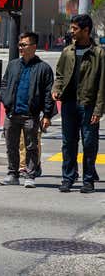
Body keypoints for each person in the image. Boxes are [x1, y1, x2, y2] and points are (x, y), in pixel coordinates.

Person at [52, 14, 105, 193]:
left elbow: (102, 84)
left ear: (86, 30)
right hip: (68, 104)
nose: (71, 31)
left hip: (88, 105)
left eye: (75, 29)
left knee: (89, 143)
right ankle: (68, 177)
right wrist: (56, 88)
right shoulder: (67, 51)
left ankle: (88, 180)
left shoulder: (99, 53)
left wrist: (99, 109)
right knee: (68, 142)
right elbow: (59, 74)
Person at [0, 32, 55, 188]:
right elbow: (4, 84)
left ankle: (30, 175)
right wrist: (5, 100)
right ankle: (12, 174)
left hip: (31, 115)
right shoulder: (13, 64)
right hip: (12, 113)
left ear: (34, 47)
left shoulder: (43, 68)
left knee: (31, 146)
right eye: (19, 44)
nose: (20, 47)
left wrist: (47, 115)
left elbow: (49, 94)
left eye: (24, 45)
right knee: (11, 146)